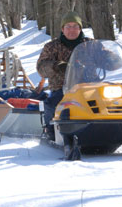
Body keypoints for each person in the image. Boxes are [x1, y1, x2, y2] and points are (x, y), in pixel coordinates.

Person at [36, 11, 89, 140]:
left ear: (80, 28)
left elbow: (105, 56)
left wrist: (112, 58)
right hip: (62, 88)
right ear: (62, 29)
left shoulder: (90, 45)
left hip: (89, 87)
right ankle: (51, 130)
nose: (72, 30)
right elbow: (41, 67)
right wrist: (56, 66)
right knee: (53, 102)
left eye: (75, 26)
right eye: (68, 26)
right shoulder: (52, 47)